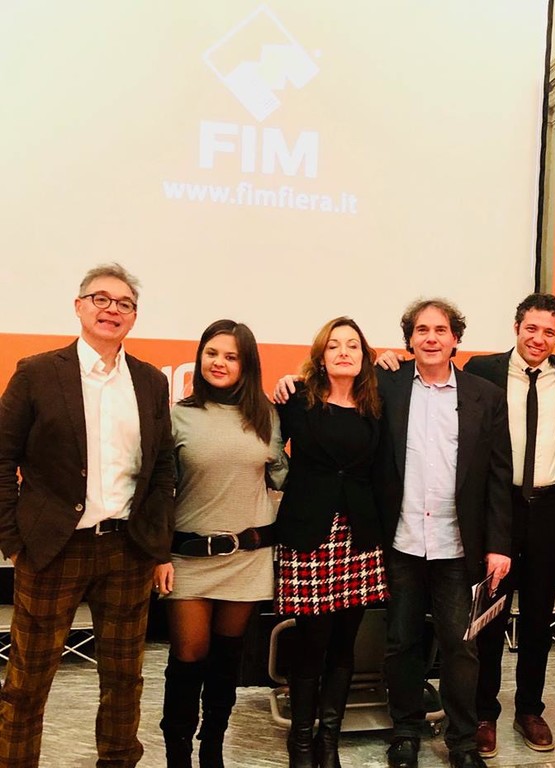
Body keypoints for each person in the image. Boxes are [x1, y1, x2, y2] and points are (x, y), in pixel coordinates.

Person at [0, 263, 175, 767]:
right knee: (27, 683)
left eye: (124, 304)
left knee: (124, 681)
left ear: (134, 317)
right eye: (101, 299)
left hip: (127, 551)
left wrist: (155, 543)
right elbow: (3, 458)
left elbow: (162, 466)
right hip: (53, 549)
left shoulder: (148, 381)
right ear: (79, 307)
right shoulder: (37, 373)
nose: (111, 309)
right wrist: (13, 540)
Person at [376, 299, 512, 768]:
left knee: (461, 647)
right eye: (421, 329)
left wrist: (498, 545)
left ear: (455, 338)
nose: (431, 337)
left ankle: (463, 742)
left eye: (440, 329)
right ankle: (405, 733)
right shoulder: (387, 386)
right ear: (409, 339)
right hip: (402, 542)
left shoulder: (485, 396)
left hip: (458, 547)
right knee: (402, 643)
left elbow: (499, 476)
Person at [154, 320, 288, 768]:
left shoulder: (267, 416)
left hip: (247, 558)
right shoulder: (178, 415)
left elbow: (281, 476)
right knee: (189, 656)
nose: (219, 362)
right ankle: (177, 753)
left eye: (231, 356)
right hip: (187, 557)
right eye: (212, 353)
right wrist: (157, 553)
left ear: (247, 364)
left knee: (227, 660)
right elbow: (158, 490)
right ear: (199, 357)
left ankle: (213, 749)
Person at [463, 293, 555, 758]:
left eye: (549, 332)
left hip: (550, 509)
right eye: (531, 328)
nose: (539, 338)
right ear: (517, 327)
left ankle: (530, 708)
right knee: (490, 615)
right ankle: (484, 712)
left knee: (538, 615)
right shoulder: (482, 369)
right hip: (500, 506)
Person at [274, 317, 388, 768]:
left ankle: (329, 741)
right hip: (309, 535)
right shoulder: (296, 399)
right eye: (334, 345)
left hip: (359, 537)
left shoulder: (376, 405)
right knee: (311, 643)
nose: (344, 352)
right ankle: (301, 740)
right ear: (321, 356)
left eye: (353, 345)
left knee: (345, 645)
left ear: (363, 356)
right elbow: (267, 454)